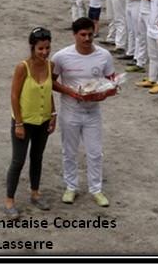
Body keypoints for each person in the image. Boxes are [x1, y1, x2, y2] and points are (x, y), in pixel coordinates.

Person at [52, 17, 115, 207]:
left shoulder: (104, 56)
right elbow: (51, 82)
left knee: (95, 152)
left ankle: (96, 189)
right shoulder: (61, 57)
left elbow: (113, 83)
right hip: (70, 111)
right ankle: (71, 187)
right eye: (83, 35)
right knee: (69, 151)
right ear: (75, 35)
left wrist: (102, 95)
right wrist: (71, 92)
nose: (87, 38)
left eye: (90, 34)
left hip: (92, 112)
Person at [4, 27, 57, 219]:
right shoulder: (22, 67)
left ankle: (35, 193)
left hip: (42, 120)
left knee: (37, 157)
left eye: (47, 48)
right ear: (32, 48)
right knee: (18, 160)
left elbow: (49, 90)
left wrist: (53, 113)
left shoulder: (50, 66)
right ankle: (9, 199)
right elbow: (14, 95)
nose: (44, 52)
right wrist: (18, 123)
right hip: (24, 121)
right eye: (40, 49)